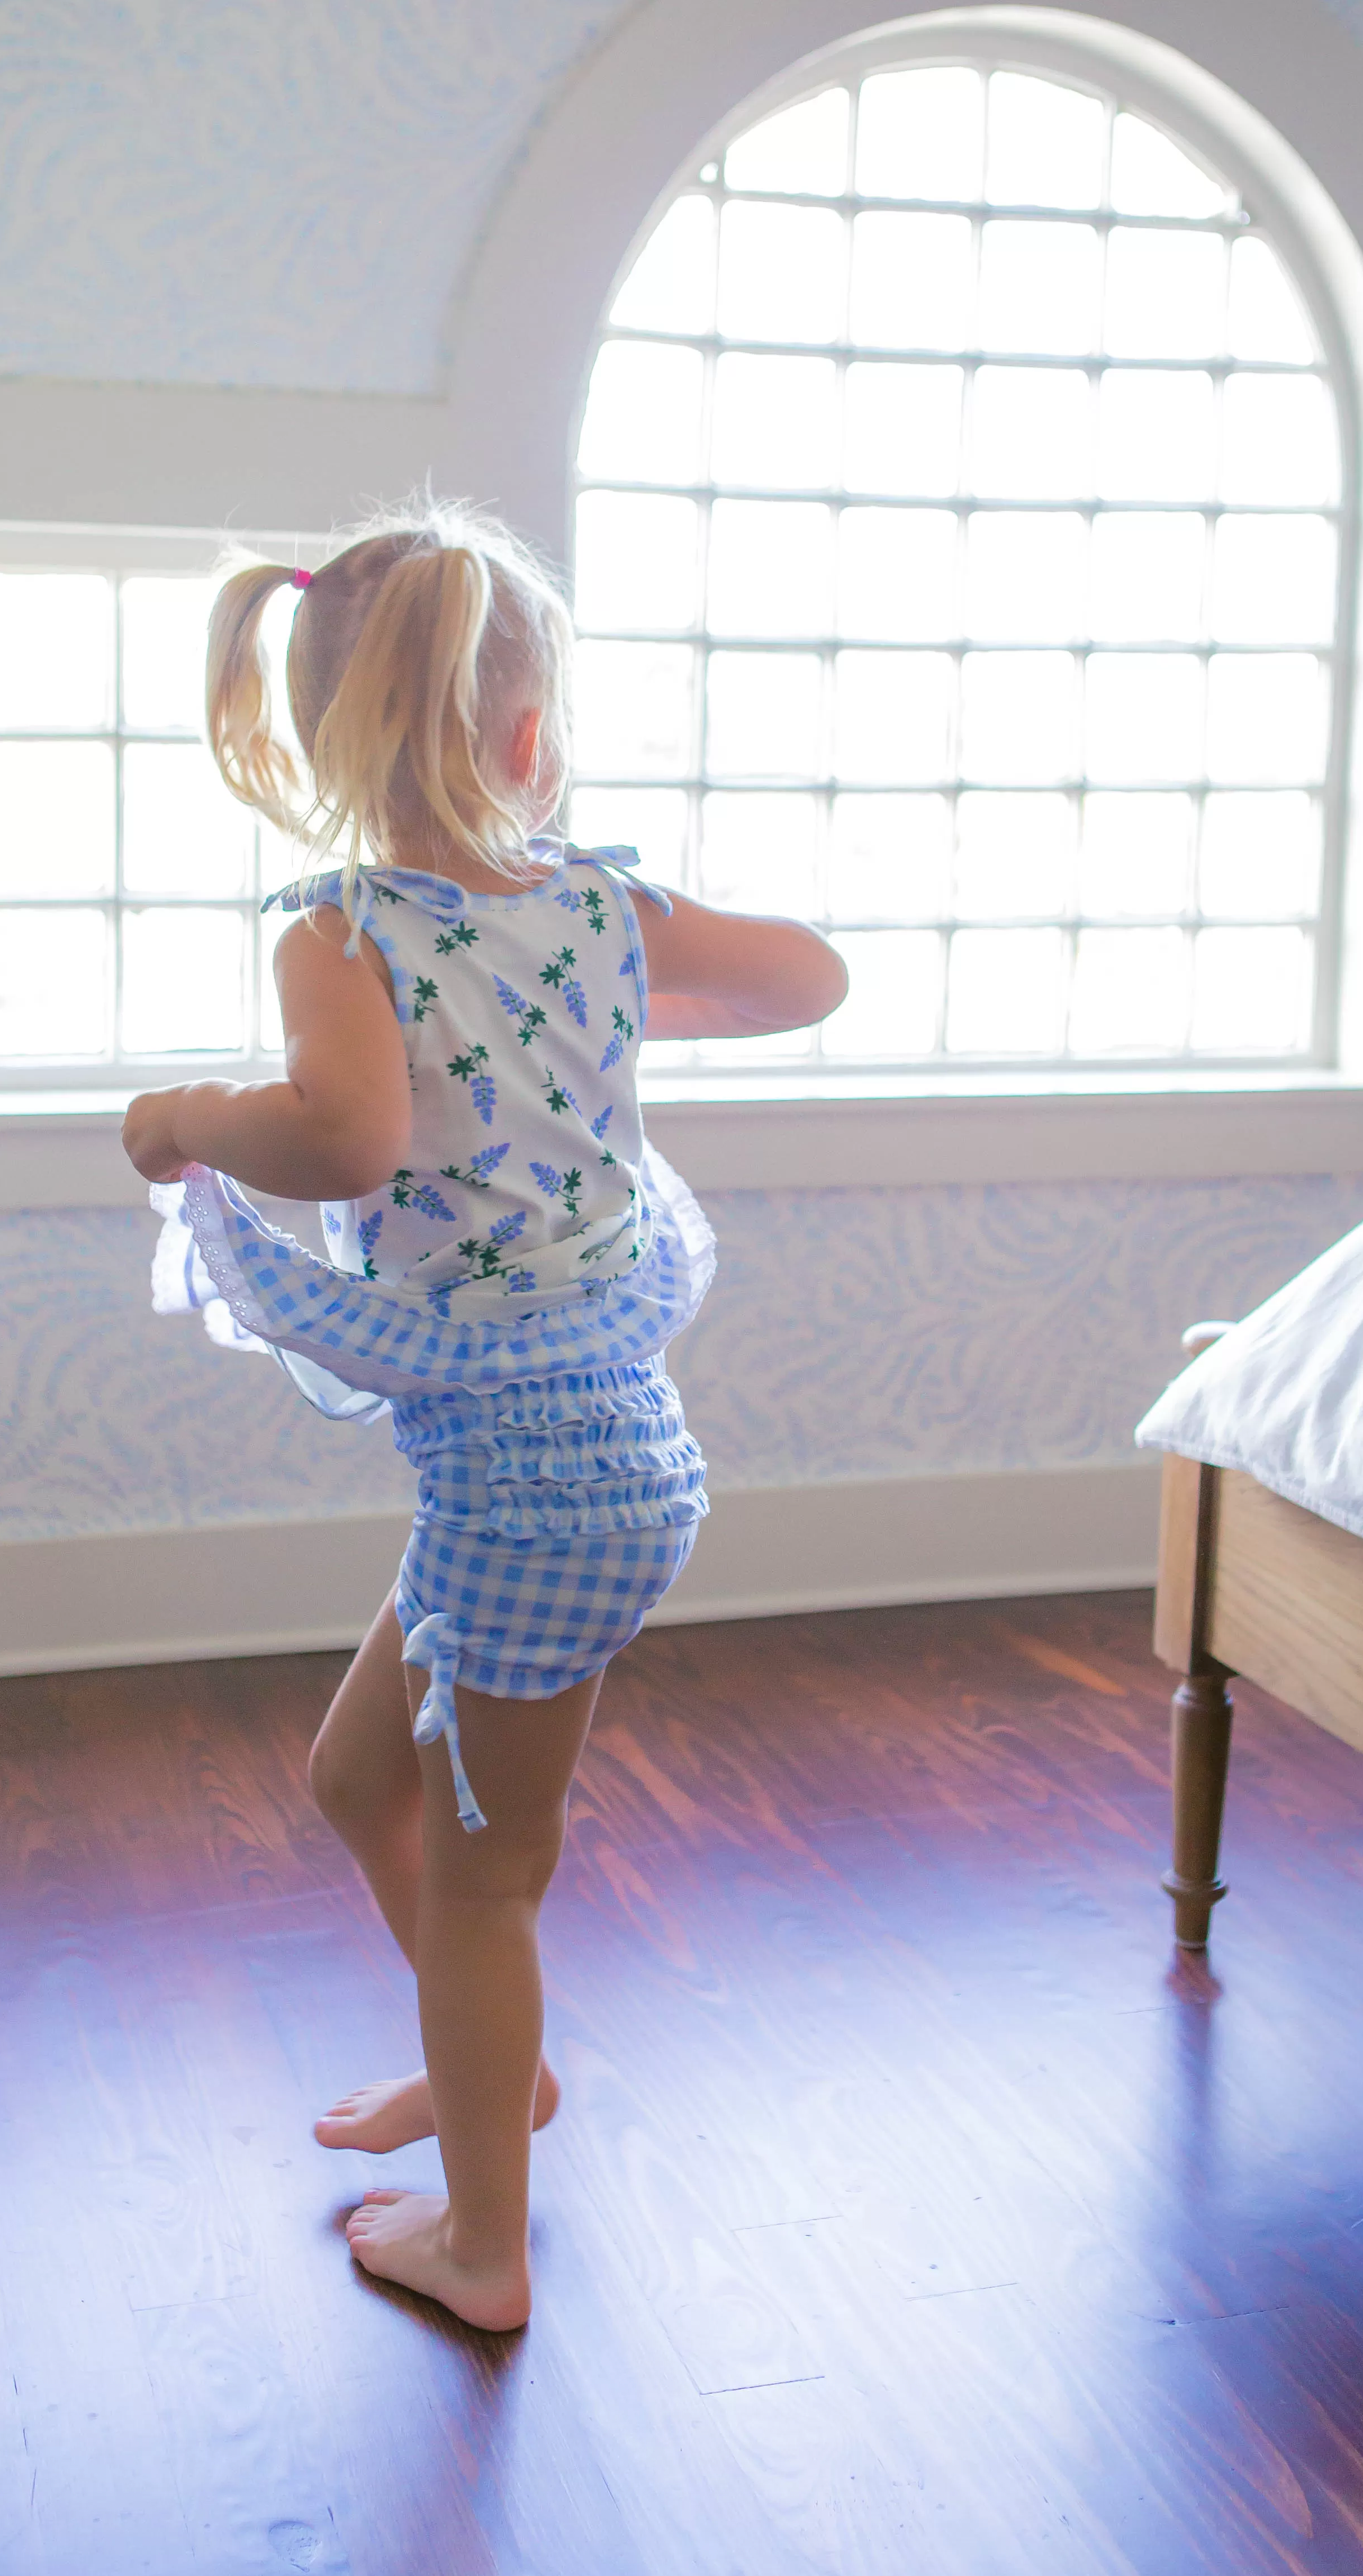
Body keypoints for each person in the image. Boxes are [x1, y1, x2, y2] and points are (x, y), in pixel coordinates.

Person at [122, 502, 846, 2330]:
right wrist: (594, 978)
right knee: (357, 1776)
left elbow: (348, 1140)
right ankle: (485, 2069)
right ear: (530, 736)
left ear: (318, 744)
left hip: (540, 1487)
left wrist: (200, 1116)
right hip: (575, 1456)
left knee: (487, 1879)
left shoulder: (337, 931)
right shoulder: (597, 904)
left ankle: (489, 2245)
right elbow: (809, 979)